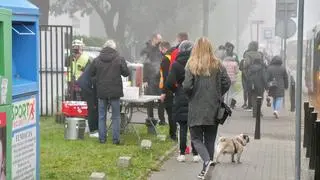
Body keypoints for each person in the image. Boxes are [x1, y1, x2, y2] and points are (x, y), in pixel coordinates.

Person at [183, 37, 231, 179]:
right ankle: (207, 171)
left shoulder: (191, 64)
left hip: (196, 107)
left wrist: (190, 95)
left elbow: (187, 86)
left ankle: (207, 161)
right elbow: (226, 82)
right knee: (210, 140)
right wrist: (218, 94)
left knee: (196, 139)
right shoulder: (218, 64)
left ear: (196, 48)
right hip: (213, 108)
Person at [165, 40, 200, 162]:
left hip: (180, 95)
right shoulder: (196, 64)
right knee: (194, 127)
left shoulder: (175, 65)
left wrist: (177, 90)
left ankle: (182, 154)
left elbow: (169, 83)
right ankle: (196, 154)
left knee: (183, 126)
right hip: (194, 96)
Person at [90, 40, 129, 144]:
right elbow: (126, 73)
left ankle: (102, 139)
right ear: (114, 48)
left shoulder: (97, 60)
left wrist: (98, 81)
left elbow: (91, 73)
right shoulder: (119, 59)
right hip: (115, 91)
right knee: (116, 116)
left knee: (102, 116)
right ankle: (115, 140)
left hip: (101, 91)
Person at [141, 33, 164, 124]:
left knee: (161, 99)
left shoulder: (159, 50)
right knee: (149, 100)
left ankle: (162, 120)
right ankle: (150, 119)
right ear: (154, 39)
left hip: (159, 78)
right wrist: (145, 79)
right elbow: (144, 64)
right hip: (149, 79)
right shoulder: (146, 50)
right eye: (159, 39)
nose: (160, 41)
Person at [158, 41, 176, 140]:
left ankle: (172, 135)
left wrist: (164, 92)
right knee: (174, 112)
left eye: (160, 50)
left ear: (164, 49)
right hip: (176, 89)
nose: (160, 52)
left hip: (168, 89)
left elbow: (165, 77)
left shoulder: (166, 59)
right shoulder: (174, 56)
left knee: (171, 113)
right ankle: (174, 133)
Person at [76, 60, 99, 138]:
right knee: (92, 108)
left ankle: (89, 127)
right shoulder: (100, 62)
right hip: (87, 85)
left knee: (92, 107)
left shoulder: (98, 60)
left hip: (85, 84)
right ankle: (93, 131)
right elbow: (94, 79)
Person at [243, 41, 265, 111]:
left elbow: (246, 64)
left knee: (251, 93)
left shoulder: (247, 54)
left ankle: (253, 108)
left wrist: (245, 69)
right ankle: (258, 109)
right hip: (259, 75)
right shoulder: (259, 54)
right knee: (259, 93)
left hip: (250, 75)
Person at [246, 53, 268, 118]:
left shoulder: (250, 68)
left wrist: (247, 86)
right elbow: (264, 78)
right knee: (260, 99)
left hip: (252, 86)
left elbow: (247, 77)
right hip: (260, 86)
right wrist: (266, 87)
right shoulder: (262, 68)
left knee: (253, 99)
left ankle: (254, 113)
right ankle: (258, 112)